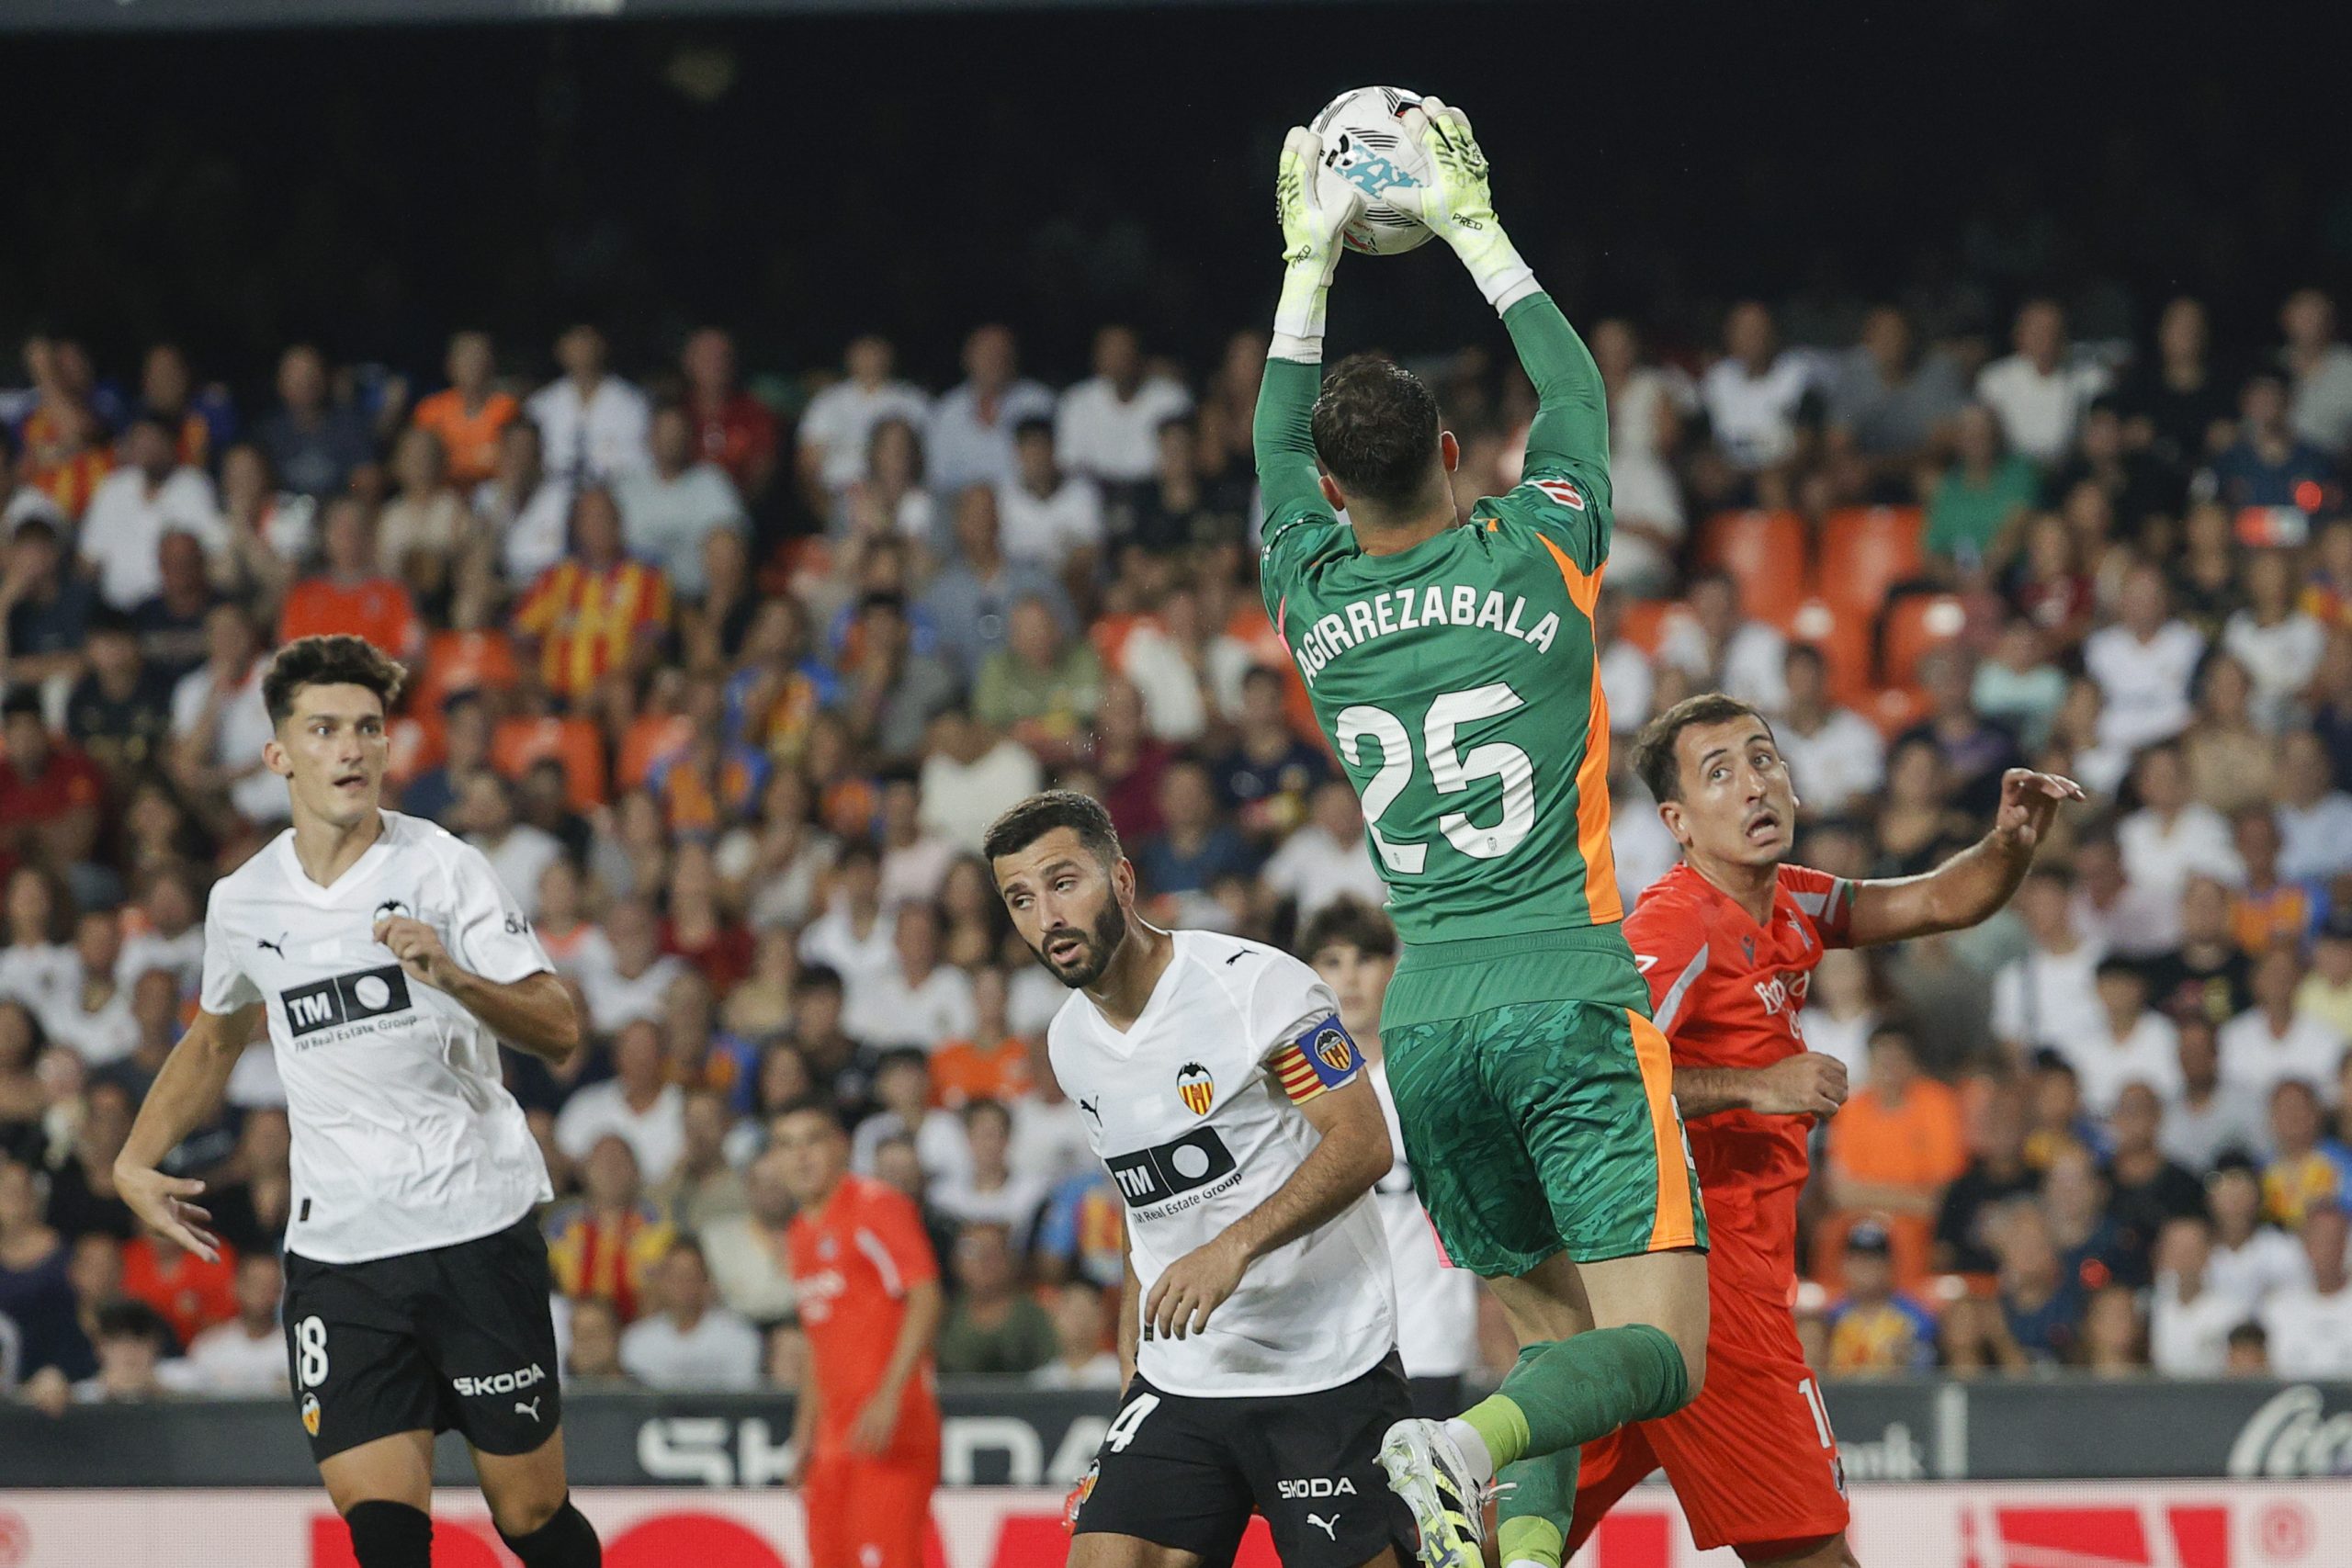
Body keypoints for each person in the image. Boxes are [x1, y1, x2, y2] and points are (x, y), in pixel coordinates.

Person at [1256, 105, 1705, 1568]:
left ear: (1334, 494)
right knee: (1663, 1351)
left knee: (1552, 1333)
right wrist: (1470, 226)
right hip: (1566, 986)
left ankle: (1519, 1551)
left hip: (1428, 1020)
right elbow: (1575, 390)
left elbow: (1271, 449)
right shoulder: (1543, 547)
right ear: (1458, 453)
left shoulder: (1311, 596)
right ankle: (1456, 1441)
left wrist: (1308, 267)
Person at [107, 635, 598, 1568]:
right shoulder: (245, 900)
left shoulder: (444, 865)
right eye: (325, 729)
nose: (352, 750)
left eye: (369, 729)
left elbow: (558, 1027)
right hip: (340, 1254)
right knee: (382, 1534)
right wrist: (133, 1160)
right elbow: (214, 1038)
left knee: (532, 1518)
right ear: (278, 754)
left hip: (473, 1230)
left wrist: (452, 974)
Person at [1572, 693, 2074, 1568]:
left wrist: (2008, 844)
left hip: (1681, 1279)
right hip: (1707, 1277)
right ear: (1678, 822)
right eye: (1719, 772)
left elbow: (1934, 900)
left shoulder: (1792, 901)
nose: (1754, 784)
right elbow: (1594, 1076)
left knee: (1512, 1532)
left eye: (1763, 758)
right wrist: (1753, 1085)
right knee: (1811, 1550)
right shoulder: (1677, 922)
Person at [985, 790, 1411, 1568]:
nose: (1047, 916)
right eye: (1021, 898)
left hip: (1323, 1363)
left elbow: (1363, 1140)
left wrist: (1232, 1247)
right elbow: (1141, 1208)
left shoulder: (1255, 990)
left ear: (1121, 879)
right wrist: (1133, 1372)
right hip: (1182, 1376)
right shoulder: (1069, 1042)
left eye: (1063, 882)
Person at [1304, 897, 1479, 1413]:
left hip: (1429, 1337)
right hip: (1327, 1345)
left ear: (1393, 967)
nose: (1349, 978)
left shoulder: (1439, 1081)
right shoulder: (1290, 1099)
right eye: (1332, 961)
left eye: (1365, 959)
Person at [774, 1096, 944, 1568]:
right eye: (786, 1145)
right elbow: (818, 1340)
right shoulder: (799, 1232)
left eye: (812, 1141)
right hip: (833, 1441)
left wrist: (889, 1395)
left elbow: (926, 1295)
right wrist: (804, 1436)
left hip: (890, 1431)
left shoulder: (875, 1206)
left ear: (841, 1147)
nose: (800, 1156)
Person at [616, 1235, 763, 1391]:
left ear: (706, 1280)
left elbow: (743, 1396)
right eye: (675, 1275)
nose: (682, 1283)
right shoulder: (636, 1341)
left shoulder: (739, 1337)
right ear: (661, 1281)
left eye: (690, 1274)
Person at [2259, 1205, 2352, 1376]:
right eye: (2319, 1240)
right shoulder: (2277, 1308)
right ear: (2305, 1245)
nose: (2327, 1249)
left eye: (2335, 1239)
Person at [184, 1250, 291, 1394]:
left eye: (271, 1285)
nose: (262, 1292)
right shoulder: (208, 1347)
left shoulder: (295, 1349)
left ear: (282, 1291)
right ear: (235, 1286)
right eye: (255, 1283)